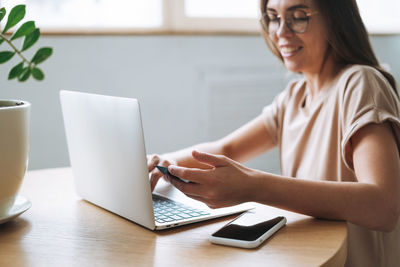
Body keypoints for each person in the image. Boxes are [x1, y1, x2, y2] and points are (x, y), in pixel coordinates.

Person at [147, 0, 400, 266]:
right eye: (273, 18)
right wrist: (162, 161)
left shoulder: (362, 84)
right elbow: (227, 149)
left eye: (299, 16)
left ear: (337, 19)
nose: (281, 32)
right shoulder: (294, 96)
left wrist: (254, 186)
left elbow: (384, 206)